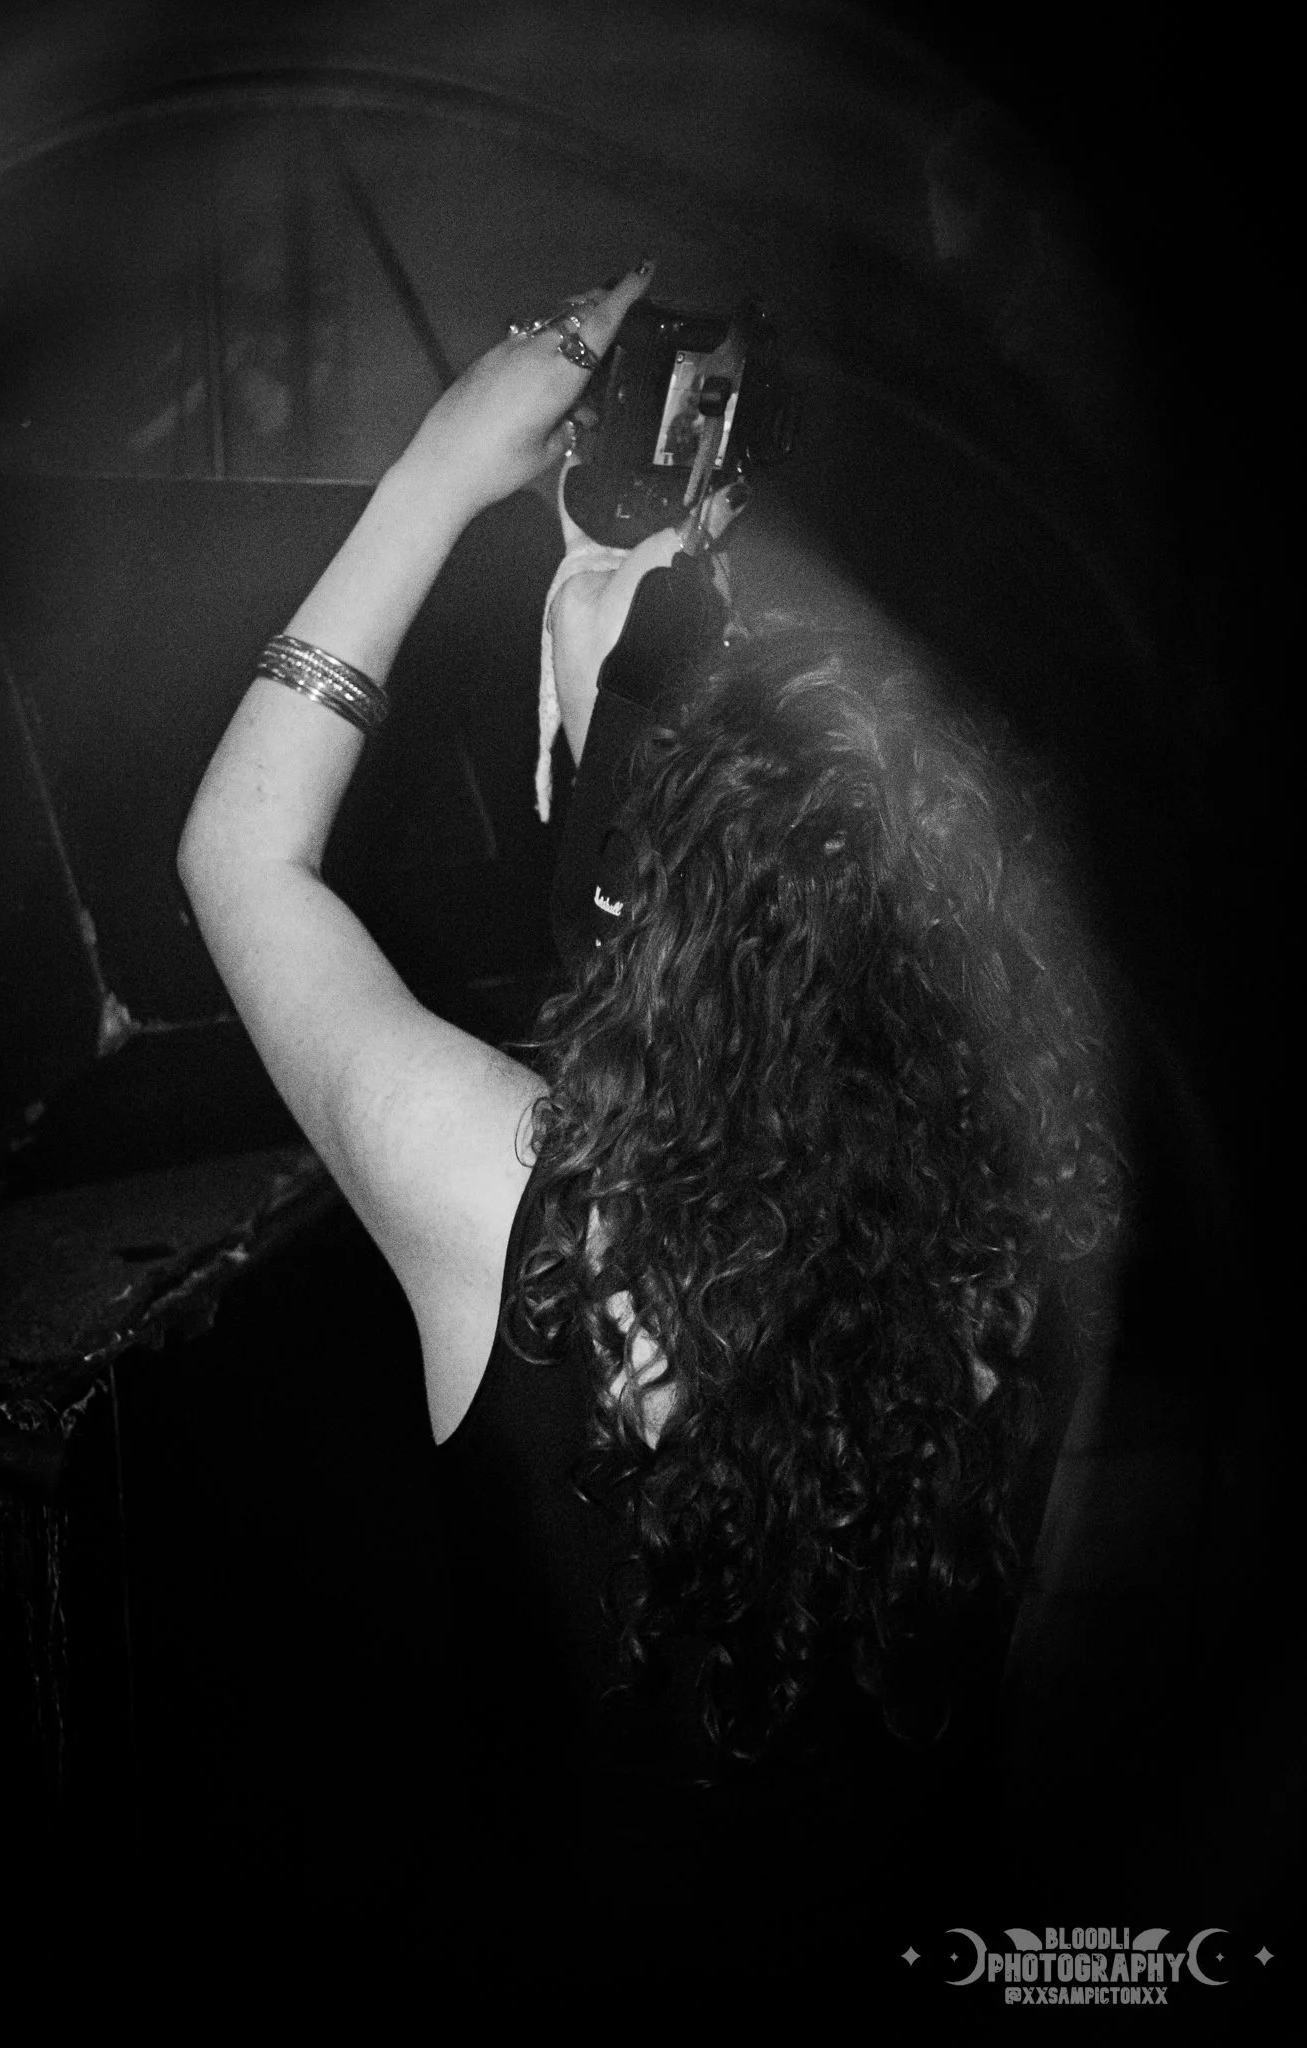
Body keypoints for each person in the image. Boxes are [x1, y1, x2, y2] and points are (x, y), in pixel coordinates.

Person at [178, 263, 1121, 1980]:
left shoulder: (514, 1209)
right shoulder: (1024, 1249)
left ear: (650, 921)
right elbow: (801, 877)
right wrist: (660, 645)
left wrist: (438, 473)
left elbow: (242, 855)